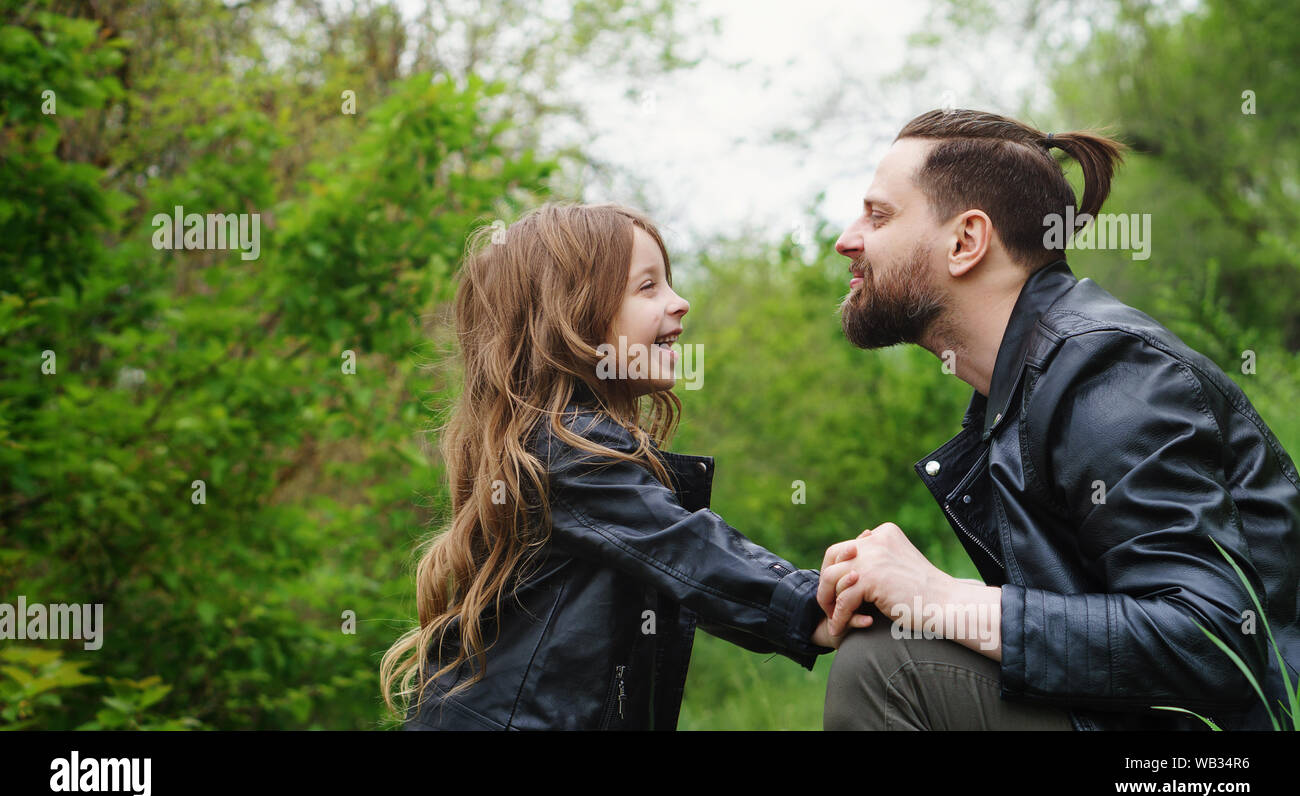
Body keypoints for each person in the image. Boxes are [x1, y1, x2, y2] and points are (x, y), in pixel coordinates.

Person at [819, 108, 1300, 731]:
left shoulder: (1109, 373)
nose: (847, 239)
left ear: (966, 241)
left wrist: (940, 597)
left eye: (878, 215)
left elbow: (1214, 642)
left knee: (887, 664)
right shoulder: (1017, 390)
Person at [381, 201, 871, 730]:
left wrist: (802, 609)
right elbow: (685, 548)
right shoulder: (564, 451)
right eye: (648, 287)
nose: (680, 303)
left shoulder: (560, 444)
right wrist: (811, 604)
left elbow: (689, 579)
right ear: (573, 313)